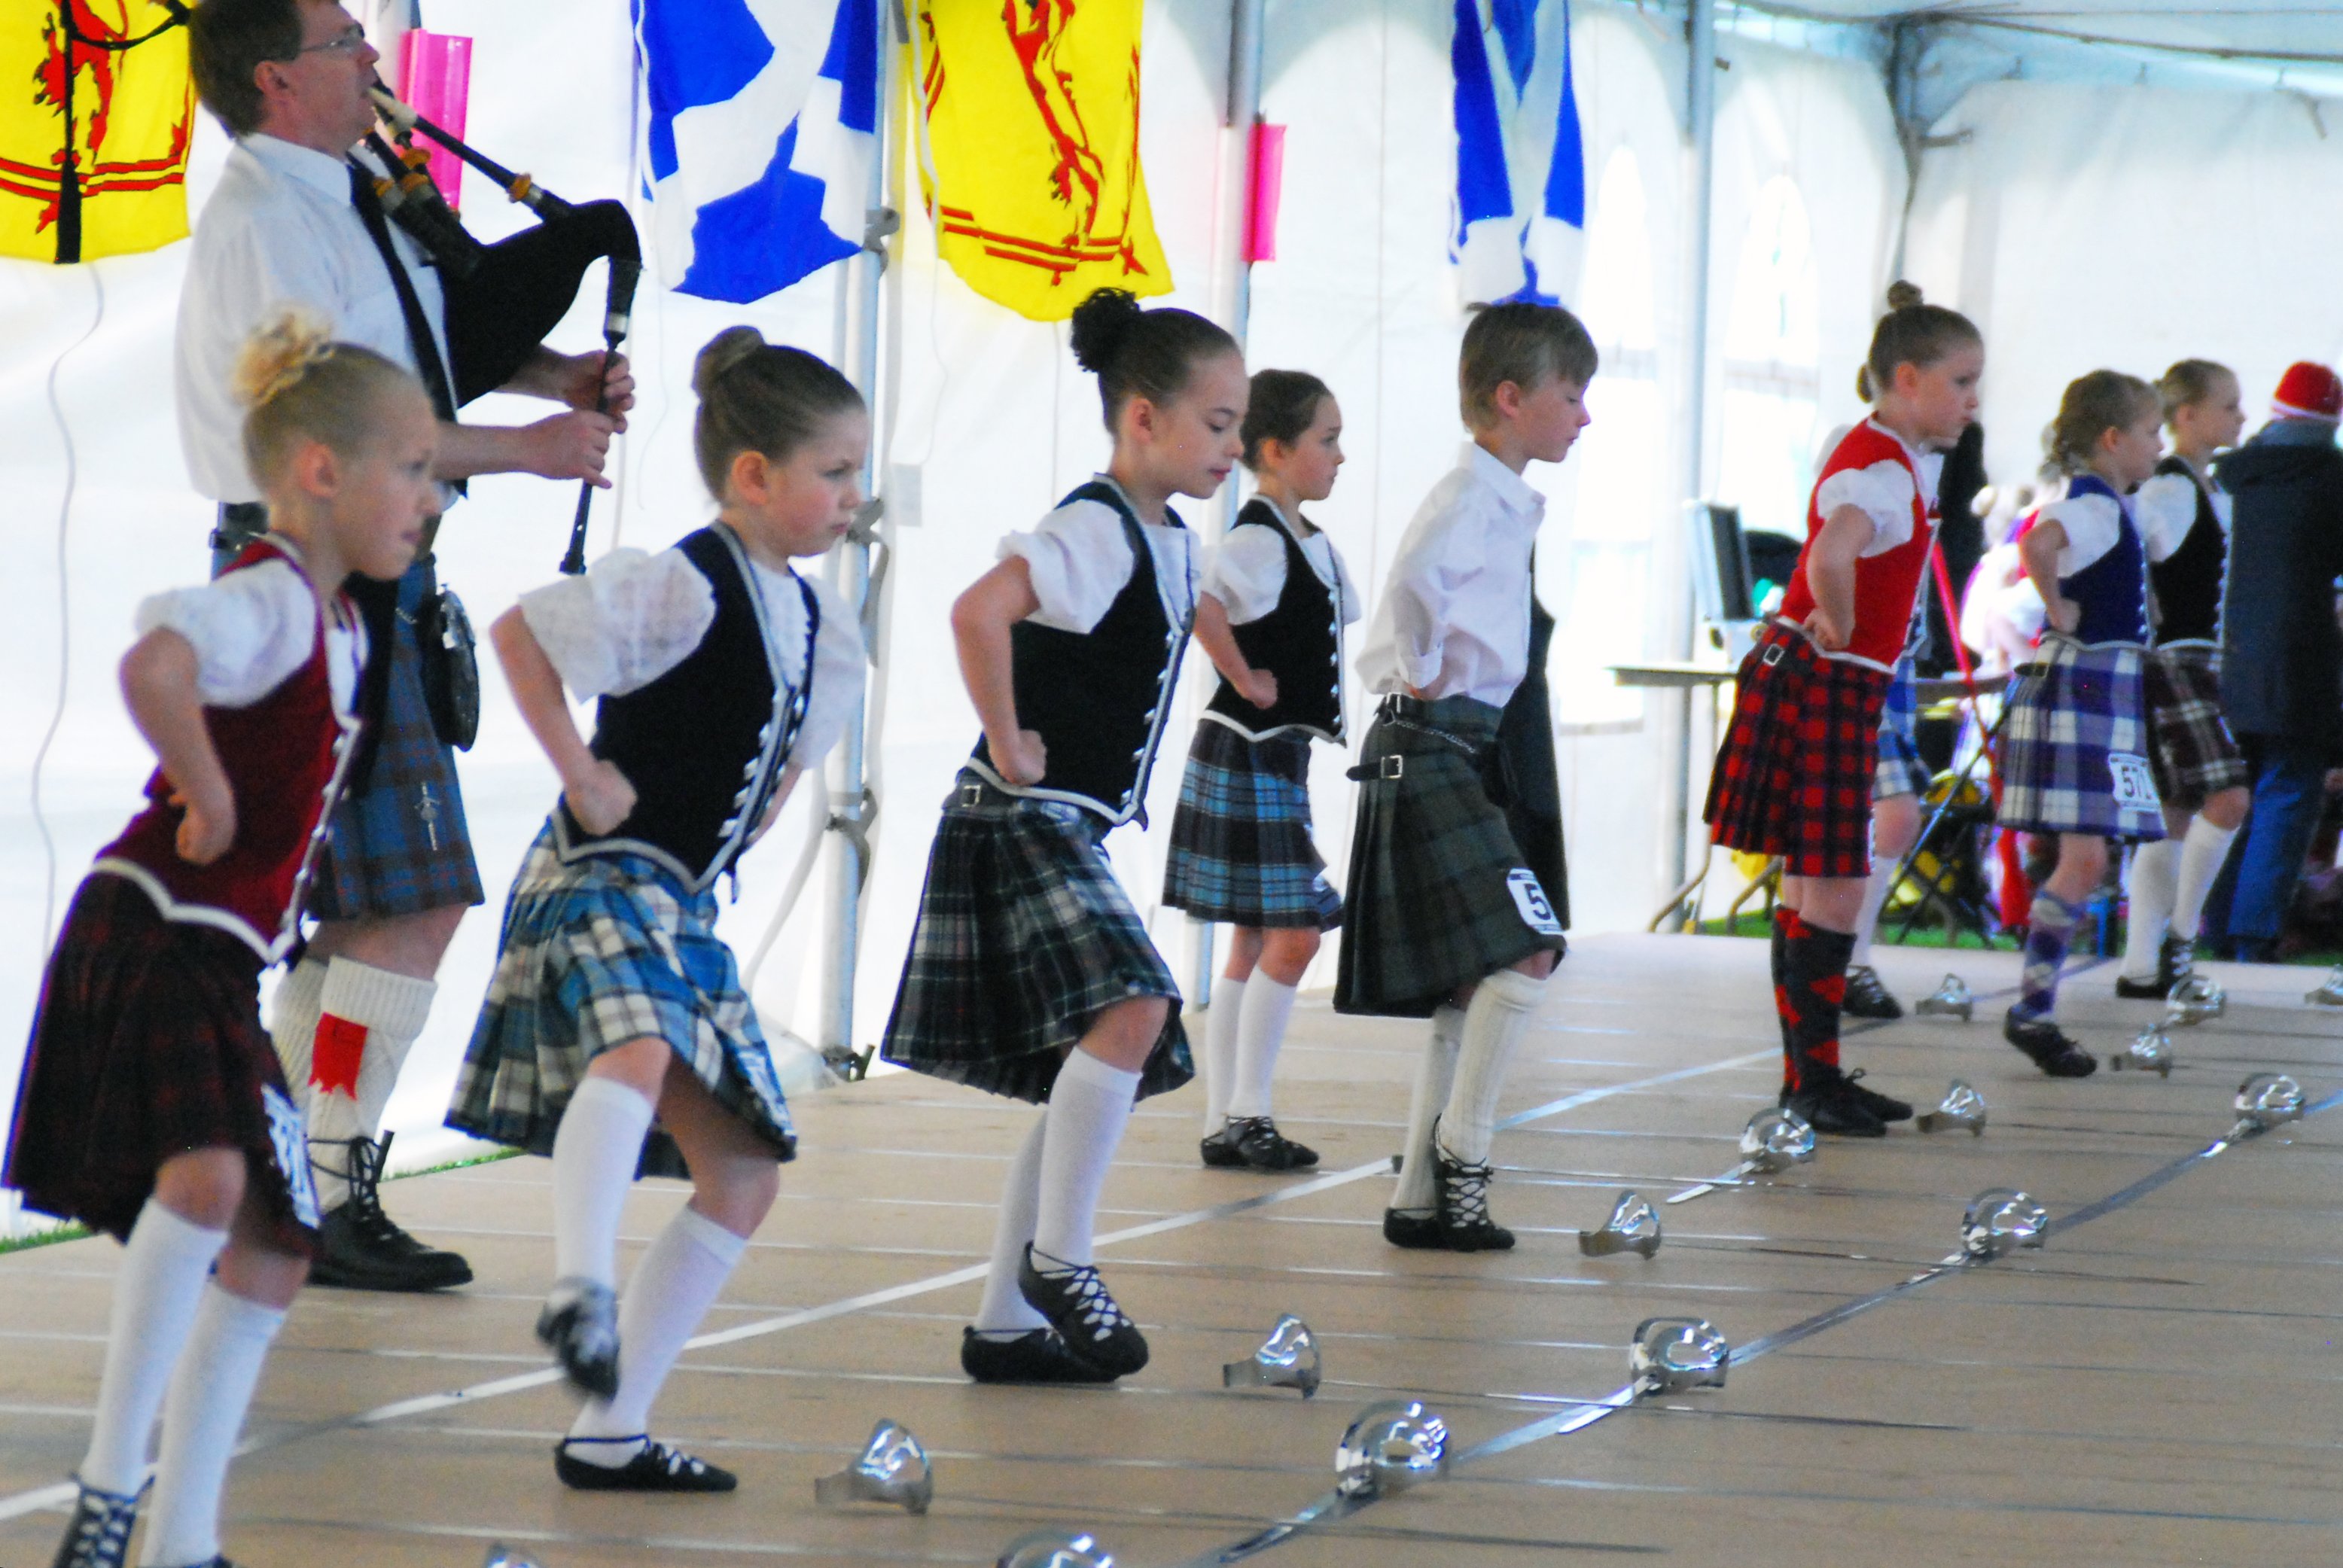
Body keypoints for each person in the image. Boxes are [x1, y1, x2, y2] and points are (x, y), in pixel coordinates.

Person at [179, 0, 635, 1290]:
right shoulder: (267, 221)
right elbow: (334, 432)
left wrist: (556, 382)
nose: (372, 57)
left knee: (359, 915)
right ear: (277, 78)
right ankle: (320, 1178)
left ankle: (293, 1174)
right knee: (406, 902)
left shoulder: (341, 195)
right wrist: (530, 452)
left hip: (363, 576)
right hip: (306, 575)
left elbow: (415, 353)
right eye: (342, 43)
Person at [7, 318, 434, 1568]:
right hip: (156, 922)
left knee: (272, 1248)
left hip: (215, 950)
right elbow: (155, 663)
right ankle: (109, 1492)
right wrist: (205, 787)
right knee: (212, 1185)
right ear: (317, 472)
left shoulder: (349, 628)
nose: (432, 494)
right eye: (410, 466)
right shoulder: (268, 596)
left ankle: (180, 1538)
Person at [443, 330, 865, 1491]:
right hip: (595, 873)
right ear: (754, 477)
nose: (852, 496)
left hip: (677, 901)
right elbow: (523, 636)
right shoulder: (681, 578)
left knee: (742, 1172)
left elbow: (773, 780)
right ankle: (580, 1287)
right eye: (834, 472)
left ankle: (609, 1427)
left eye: (856, 471)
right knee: (632, 1049)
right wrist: (580, 767)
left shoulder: (828, 630)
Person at [880, 288, 1238, 1384]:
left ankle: (1004, 1317)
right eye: (1217, 422)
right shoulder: (1095, 524)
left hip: (1065, 823)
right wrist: (1009, 737)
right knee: (1135, 1005)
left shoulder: (1167, 534)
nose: (1233, 444)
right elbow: (976, 610)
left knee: (1102, 1042)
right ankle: (1060, 1259)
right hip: (1016, 814)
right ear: (1141, 417)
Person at [1336, 301, 1590, 1250]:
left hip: (1466, 743)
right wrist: (1415, 661)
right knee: (1529, 944)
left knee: (1465, 979)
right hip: (1431, 735)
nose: (1584, 416)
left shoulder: (1503, 500)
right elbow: (1413, 583)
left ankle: (1415, 1198)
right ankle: (1464, 1156)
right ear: (1511, 397)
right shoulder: (1466, 498)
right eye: (1572, 395)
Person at [1706, 284, 1982, 1135]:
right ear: (1905, 378)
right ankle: (1812, 1083)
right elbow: (1831, 551)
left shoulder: (1880, 451)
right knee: (1834, 889)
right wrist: (1840, 621)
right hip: (1827, 679)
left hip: (1821, 678)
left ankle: (1812, 1080)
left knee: (1813, 885)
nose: (1973, 402)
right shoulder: (1879, 468)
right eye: (1962, 382)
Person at [1165, 369, 1360, 1173]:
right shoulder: (1254, 537)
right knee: (1293, 934)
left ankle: (1228, 1120)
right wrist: (1244, 678)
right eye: (1328, 439)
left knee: (1254, 937)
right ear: (1274, 451)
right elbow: (1198, 599)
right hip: (1246, 746)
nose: (1341, 457)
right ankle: (1245, 1111)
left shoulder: (1305, 538)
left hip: (1276, 750)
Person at [1997, 370, 2171, 1073]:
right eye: (2153, 432)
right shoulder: (2092, 508)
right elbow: (2038, 544)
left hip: (2107, 684)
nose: (2160, 446)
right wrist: (2058, 606)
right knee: (2086, 857)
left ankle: (2034, 1009)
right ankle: (2032, 1009)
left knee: (2088, 856)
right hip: (2088, 684)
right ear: (2112, 438)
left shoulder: (2111, 509)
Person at [2116, 361, 2250, 995]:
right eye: (2229, 406)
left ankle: (2142, 965)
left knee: (2169, 813)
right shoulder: (2169, 488)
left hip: (2198, 660)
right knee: (2227, 797)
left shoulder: (2210, 488)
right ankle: (2180, 938)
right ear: (2187, 415)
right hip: (2173, 661)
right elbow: (2130, 553)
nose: (2241, 418)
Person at [2204, 363, 2343, 961]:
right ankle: (2252, 934)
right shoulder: (2334, 480)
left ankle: (2206, 924)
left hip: (2222, 658)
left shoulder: (2228, 475)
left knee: (2229, 798)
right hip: (2300, 663)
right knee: (2285, 798)